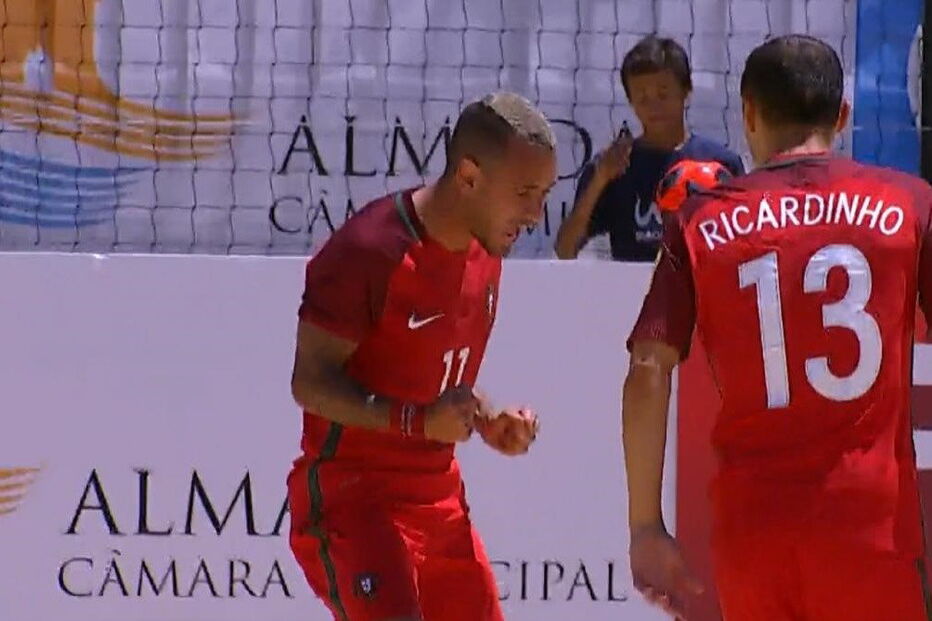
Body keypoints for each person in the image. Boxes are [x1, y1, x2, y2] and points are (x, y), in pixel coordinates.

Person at [622, 35, 932, 620]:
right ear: (842, 116)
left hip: (754, 532)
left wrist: (645, 525)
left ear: (749, 115)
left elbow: (647, 367)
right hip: (871, 528)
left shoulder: (701, 219)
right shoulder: (908, 203)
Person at [286, 92, 555, 621]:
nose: (535, 215)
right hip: (352, 499)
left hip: (440, 500)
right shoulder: (369, 250)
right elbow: (309, 382)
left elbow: (425, 369)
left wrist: (485, 417)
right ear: (470, 176)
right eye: (524, 193)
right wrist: (417, 421)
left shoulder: (486, 251)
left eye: (543, 194)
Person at [555, 35, 745, 262]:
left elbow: (743, 248)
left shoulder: (721, 164)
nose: (654, 105)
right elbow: (565, 250)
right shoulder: (614, 167)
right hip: (635, 295)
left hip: (705, 293)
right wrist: (600, 180)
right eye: (643, 97)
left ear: (687, 90)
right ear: (630, 100)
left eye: (663, 94)